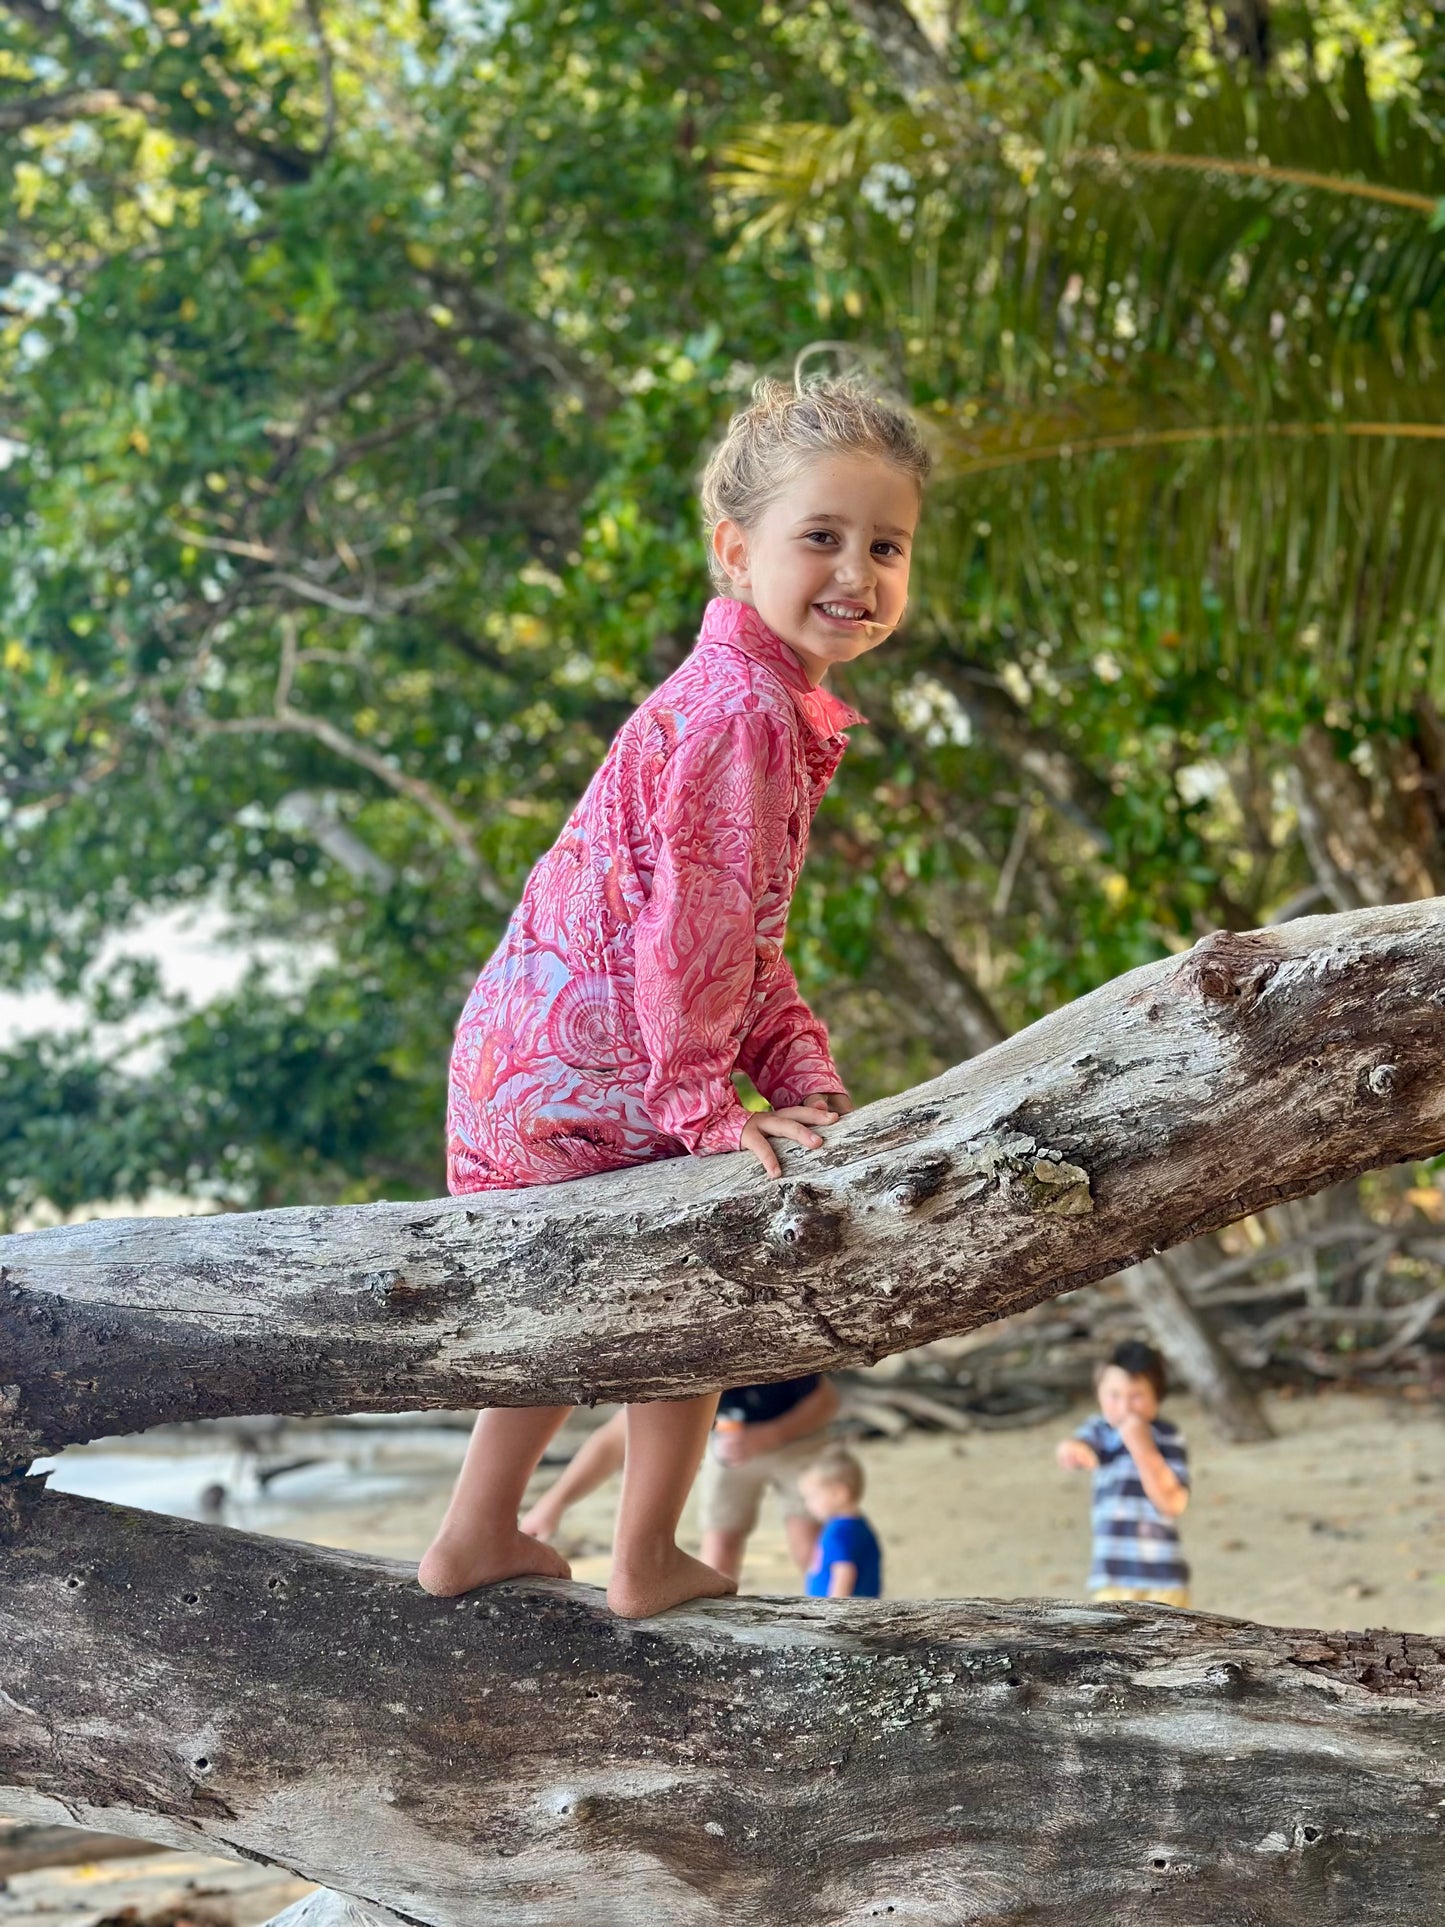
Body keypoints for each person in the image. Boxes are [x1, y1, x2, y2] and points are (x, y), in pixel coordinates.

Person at [419, 376, 931, 1618]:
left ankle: (479, 1530)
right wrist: (707, 1108)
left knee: (572, 1307)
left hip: (524, 1067)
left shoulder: (761, 701)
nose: (853, 570)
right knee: (705, 1288)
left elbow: (735, 936)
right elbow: (691, 934)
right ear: (733, 547)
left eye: (885, 545)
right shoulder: (743, 713)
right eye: (820, 536)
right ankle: (643, 1554)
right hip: (589, 1071)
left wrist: (798, 1068)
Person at [519, 1374, 840, 1588]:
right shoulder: (686, 1376)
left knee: (808, 1542)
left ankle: (831, 1611)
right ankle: (720, 1627)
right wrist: (554, 1502)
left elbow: (826, 1402)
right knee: (719, 1544)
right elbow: (614, 1441)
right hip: (728, 1444)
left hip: (795, 1438)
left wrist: (768, 1437)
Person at [1055, 1339, 1192, 1607]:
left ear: (1157, 1397)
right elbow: (1077, 1445)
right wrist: (1071, 1450)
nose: (1125, 1407)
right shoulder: (1100, 1431)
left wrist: (1142, 1446)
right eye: (1114, 1395)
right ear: (1099, 1395)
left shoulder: (1168, 1437)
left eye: (1137, 1396)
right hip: (1111, 1577)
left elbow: (1173, 1504)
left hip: (1164, 1579)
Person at [799, 1447, 882, 1599]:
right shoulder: (859, 1525)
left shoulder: (838, 1533)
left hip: (840, 1616)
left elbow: (844, 1572)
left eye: (812, 1496)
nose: (808, 1504)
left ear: (838, 1493)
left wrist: (833, 1613)